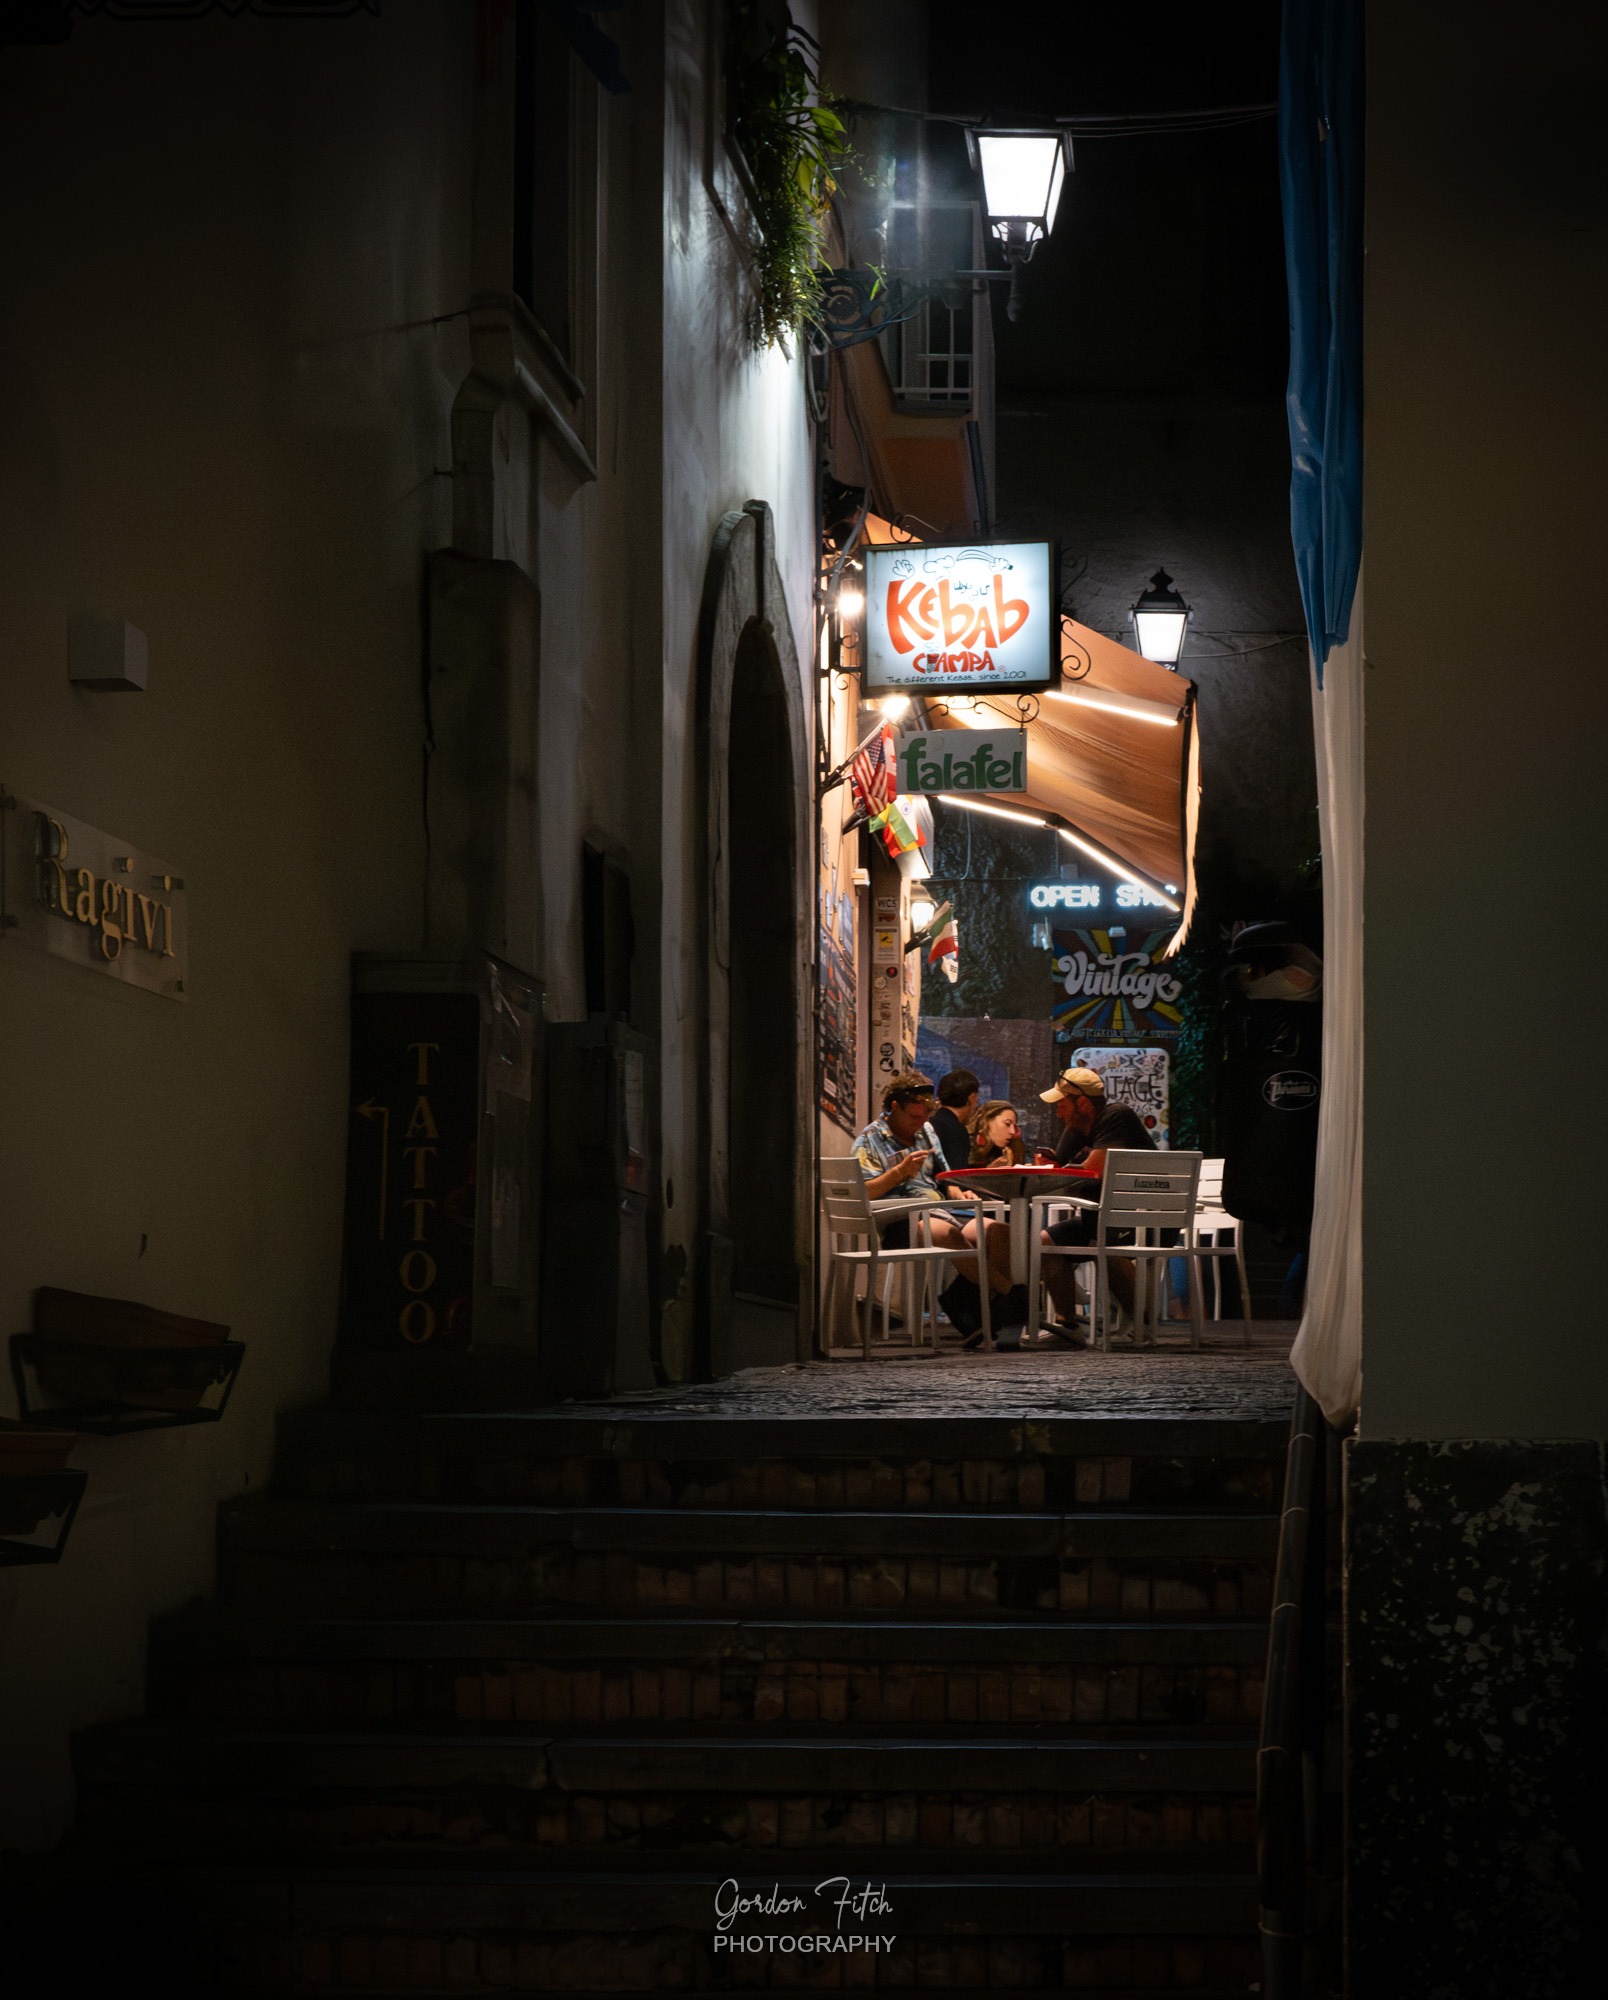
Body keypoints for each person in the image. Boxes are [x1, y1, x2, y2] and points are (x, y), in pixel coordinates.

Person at [849, 1069, 1020, 1345]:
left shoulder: (927, 1131)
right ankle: (1007, 1296)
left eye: (925, 1117)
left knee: (995, 1231)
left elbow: (943, 1176)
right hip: (897, 1219)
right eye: (914, 1117)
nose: (921, 1124)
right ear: (895, 1107)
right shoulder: (870, 1140)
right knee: (945, 1233)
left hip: (940, 1210)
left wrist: (958, 1191)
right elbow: (862, 1193)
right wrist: (898, 1173)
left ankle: (967, 1304)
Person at [1035, 1066, 1156, 1337]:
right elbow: (1056, 1171)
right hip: (1103, 1217)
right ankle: (1068, 1327)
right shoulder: (1079, 1127)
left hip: (1144, 1218)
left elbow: (1094, 1170)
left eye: (1062, 1104)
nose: (1058, 1112)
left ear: (1082, 1103)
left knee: (1106, 1240)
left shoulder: (1117, 1116)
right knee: (1046, 1242)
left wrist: (1062, 1169)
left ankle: (1143, 1324)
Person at [929, 1068, 980, 1171]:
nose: (977, 1105)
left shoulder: (930, 1122)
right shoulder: (956, 1130)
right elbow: (956, 1176)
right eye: (976, 1100)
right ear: (972, 1098)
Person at [967, 1098, 1027, 1169]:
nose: (1013, 1132)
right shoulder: (964, 1144)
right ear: (986, 1121)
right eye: (1007, 1124)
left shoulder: (1011, 1148)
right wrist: (990, 1170)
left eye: (1014, 1126)